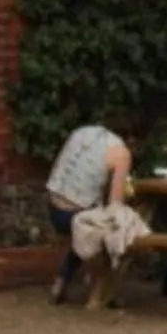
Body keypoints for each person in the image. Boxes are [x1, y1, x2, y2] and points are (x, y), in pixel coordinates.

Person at [45, 122, 132, 304]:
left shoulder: (80, 132)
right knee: (113, 230)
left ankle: (62, 280)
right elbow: (115, 204)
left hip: (53, 206)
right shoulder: (121, 152)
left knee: (84, 229)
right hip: (76, 214)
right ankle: (100, 295)